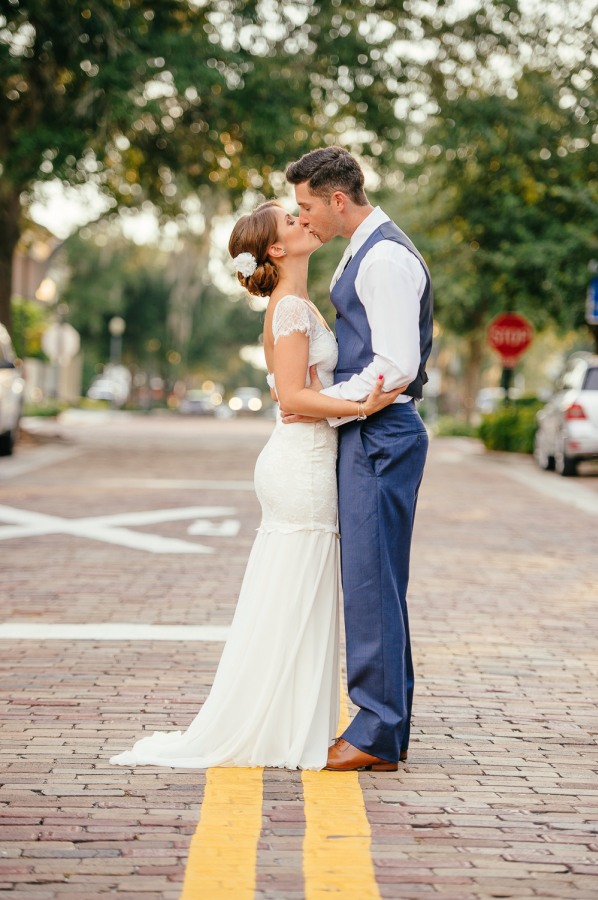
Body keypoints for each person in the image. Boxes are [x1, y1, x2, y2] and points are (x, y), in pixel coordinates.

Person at [110, 200, 401, 771]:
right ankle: (276, 725)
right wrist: (360, 404)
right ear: (275, 247)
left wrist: (328, 402)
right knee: (295, 593)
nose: (303, 221)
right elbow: (292, 398)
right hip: (302, 466)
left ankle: (293, 722)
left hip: (307, 456)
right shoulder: (289, 309)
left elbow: (291, 393)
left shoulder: (298, 305)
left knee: (299, 593)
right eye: (291, 221)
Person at [284, 147, 433, 773]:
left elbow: (394, 365)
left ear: (336, 200)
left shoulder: (386, 258)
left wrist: (322, 404)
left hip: (380, 431)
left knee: (371, 582)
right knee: (376, 580)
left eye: (306, 206)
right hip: (372, 428)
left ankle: (375, 731)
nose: (303, 218)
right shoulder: (366, 249)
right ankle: (385, 724)